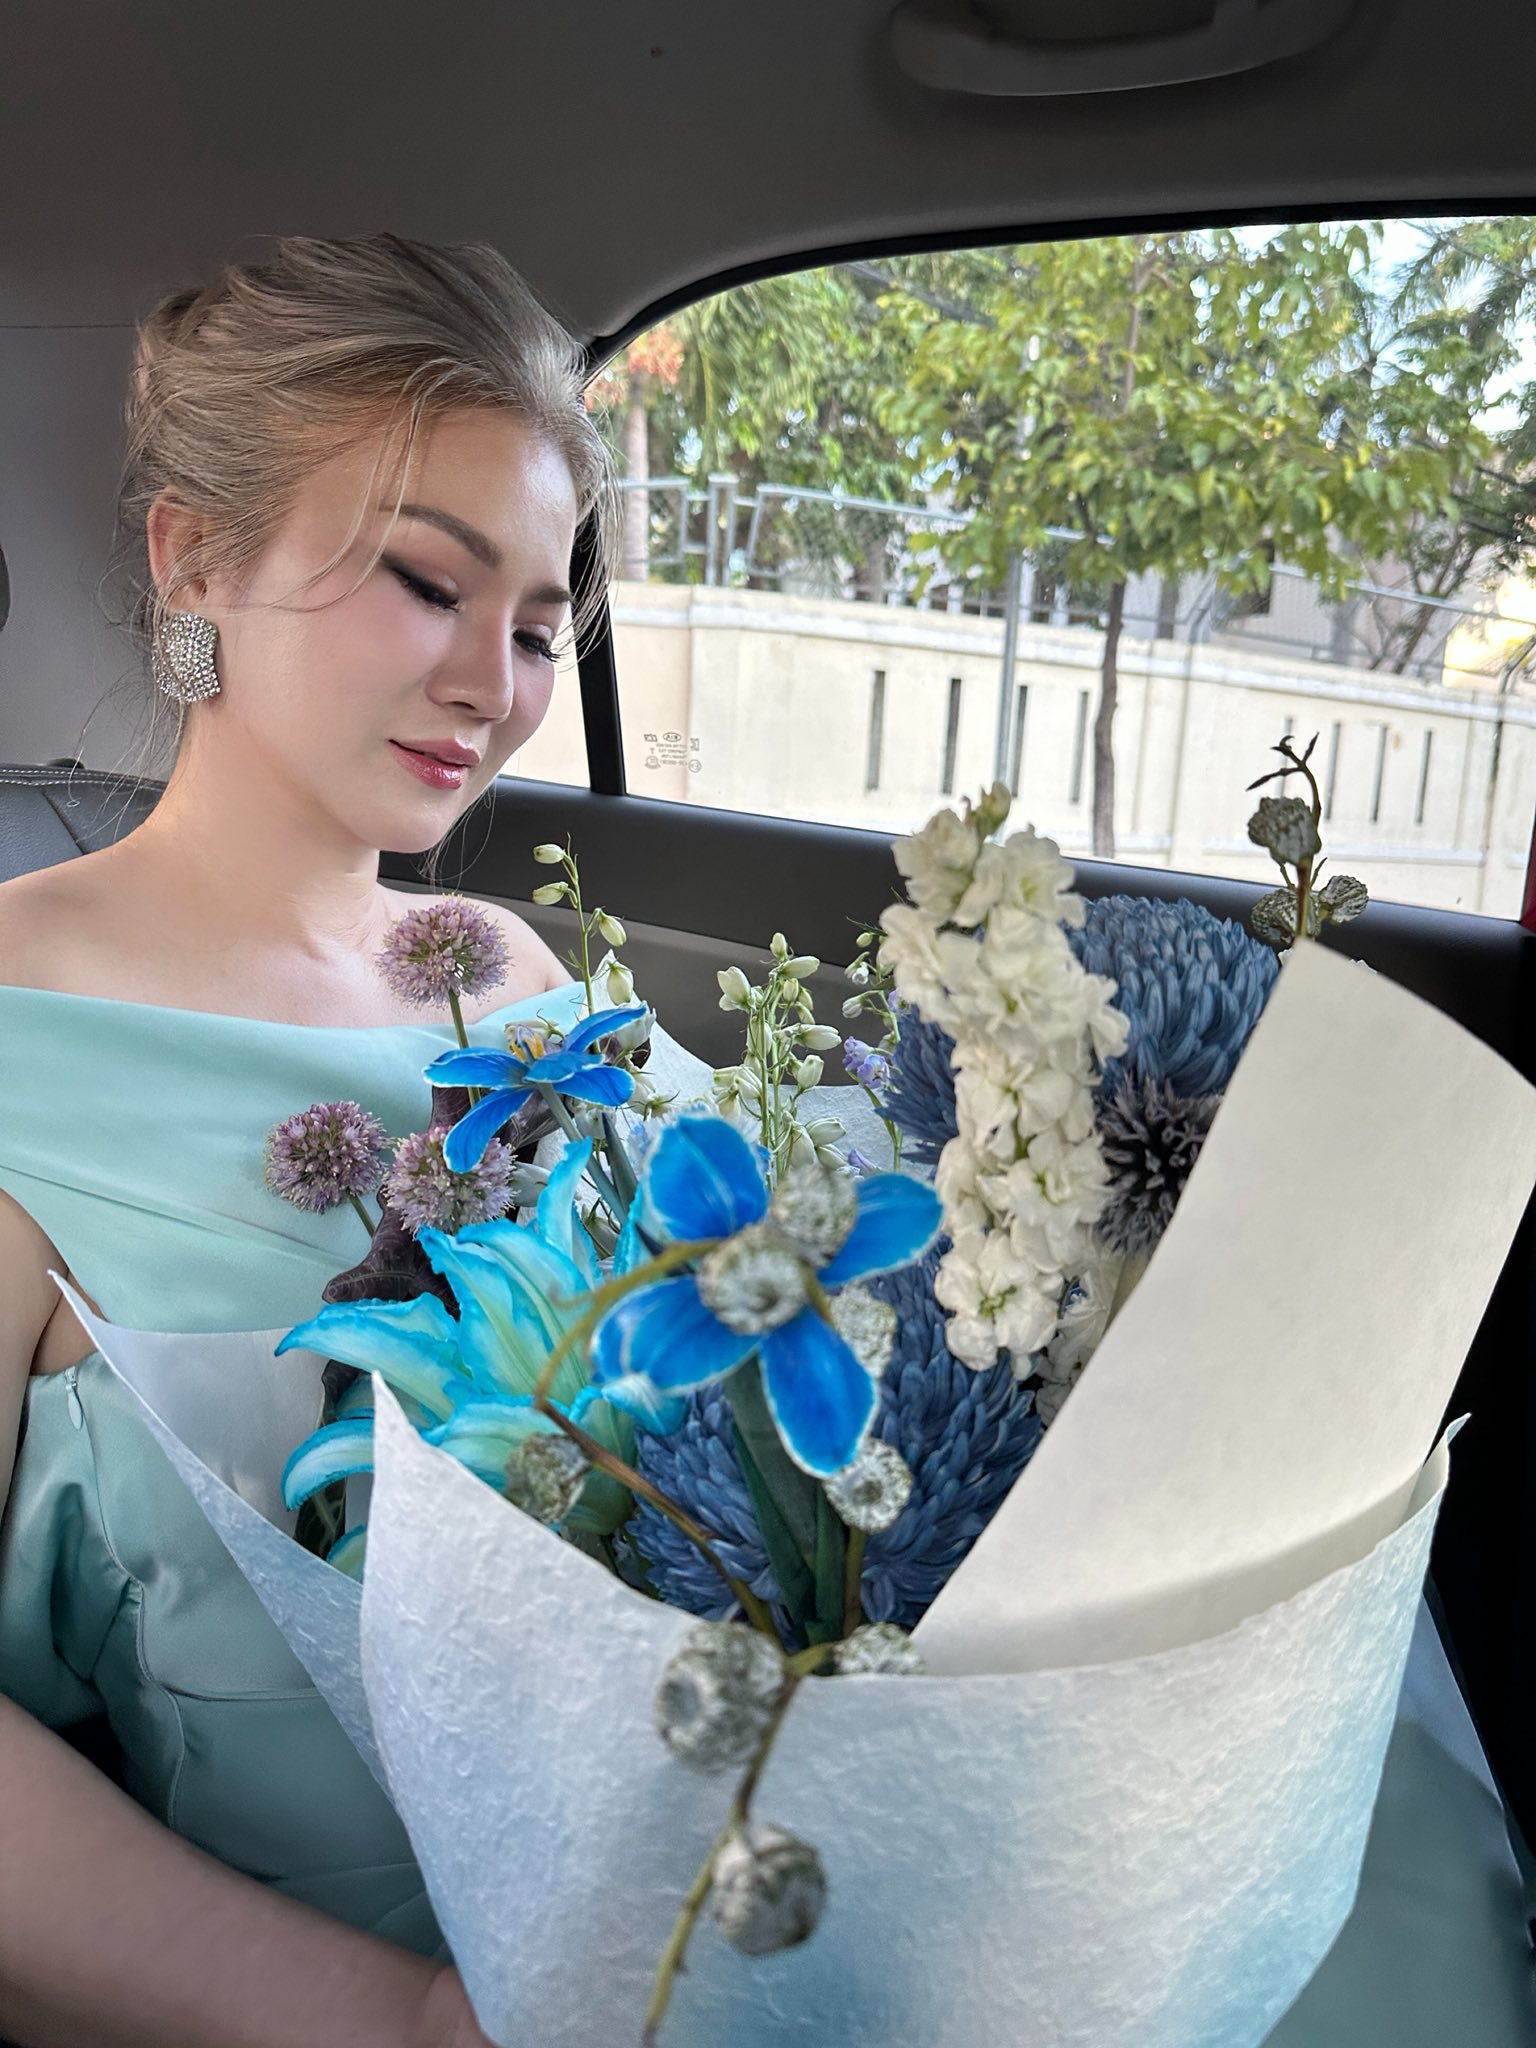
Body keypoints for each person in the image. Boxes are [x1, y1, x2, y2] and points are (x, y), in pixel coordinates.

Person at [0, 231, 624, 2047]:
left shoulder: (518, 981)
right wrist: (403, 2019)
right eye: (430, 584)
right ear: (195, 555)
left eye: (538, 627)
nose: (497, 685)